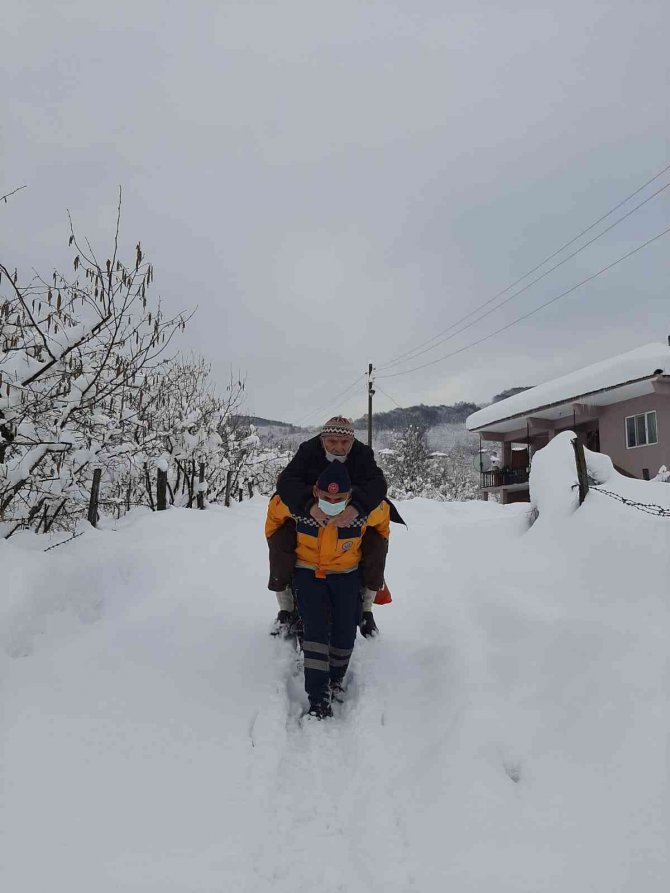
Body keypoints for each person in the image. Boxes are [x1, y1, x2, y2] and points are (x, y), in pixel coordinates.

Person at [265, 461, 390, 718]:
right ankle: (318, 696)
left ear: (350, 496)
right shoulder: (298, 508)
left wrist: (374, 549)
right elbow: (273, 518)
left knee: (345, 631)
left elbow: (383, 522)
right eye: (326, 496)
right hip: (308, 574)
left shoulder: (364, 512)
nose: (332, 500)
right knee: (314, 633)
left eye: (339, 497)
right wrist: (281, 546)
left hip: (346, 576)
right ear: (315, 492)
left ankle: (335, 679)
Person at [267, 416, 389, 637]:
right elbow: (286, 481)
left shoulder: (362, 454)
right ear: (322, 439)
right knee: (280, 543)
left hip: (350, 512)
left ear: (352, 442)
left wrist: (357, 507)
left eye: (344, 443)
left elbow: (378, 484)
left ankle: (366, 610)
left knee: (376, 546)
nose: (339, 447)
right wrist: (309, 505)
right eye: (332, 441)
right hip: (310, 510)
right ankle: (286, 609)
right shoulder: (308, 451)